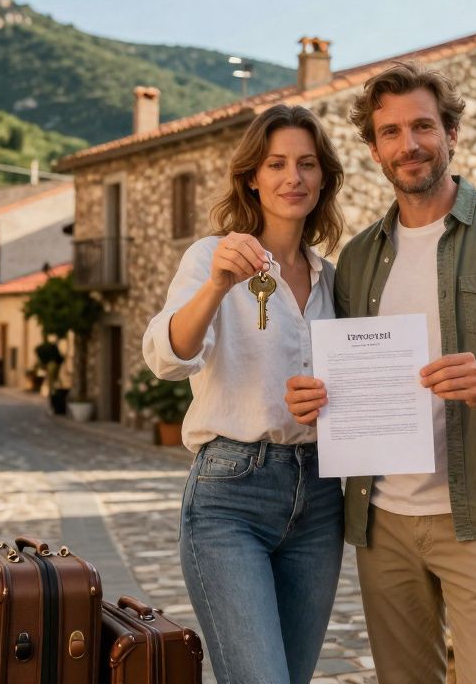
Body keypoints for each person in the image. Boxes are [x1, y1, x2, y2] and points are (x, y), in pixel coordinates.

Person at [285, 62, 476, 684]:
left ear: (451, 133)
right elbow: (343, 370)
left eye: (423, 125)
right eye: (390, 132)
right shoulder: (360, 255)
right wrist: (317, 394)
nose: (408, 144)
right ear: (373, 148)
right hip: (381, 519)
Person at [142, 104, 346, 684]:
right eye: (276, 163)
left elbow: (347, 379)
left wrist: (331, 399)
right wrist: (215, 288)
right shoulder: (211, 258)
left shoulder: (333, 278)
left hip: (322, 500)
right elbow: (166, 356)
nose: (293, 177)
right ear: (252, 176)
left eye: (307, 164)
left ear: (323, 177)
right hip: (231, 497)